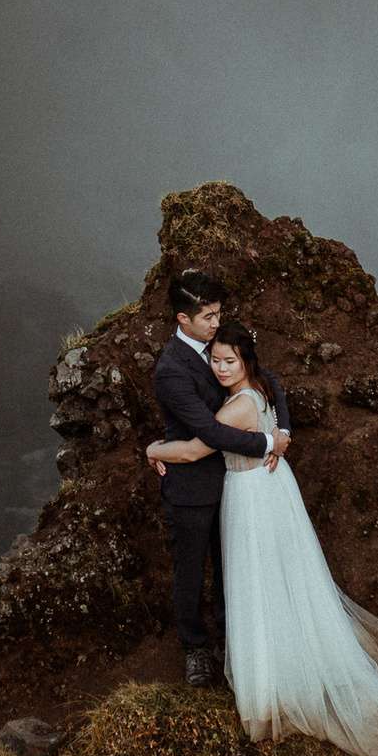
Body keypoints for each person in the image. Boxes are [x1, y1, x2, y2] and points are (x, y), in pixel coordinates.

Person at [147, 317, 378, 756]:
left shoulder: (239, 406)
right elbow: (272, 406)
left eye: (228, 361)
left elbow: (196, 450)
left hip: (251, 496)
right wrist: (278, 439)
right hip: (270, 488)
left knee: (257, 579)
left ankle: (272, 678)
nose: (220, 369)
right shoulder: (262, 386)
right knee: (279, 576)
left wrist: (152, 450)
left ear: (245, 360)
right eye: (215, 360)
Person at [148, 268, 283, 689]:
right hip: (190, 486)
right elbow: (207, 433)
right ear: (182, 320)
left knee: (231, 569)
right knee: (189, 573)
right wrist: (265, 443)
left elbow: (270, 382)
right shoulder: (170, 370)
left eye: (218, 313)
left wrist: (285, 431)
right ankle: (195, 650)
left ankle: (230, 642)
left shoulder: (219, 343)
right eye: (208, 316)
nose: (216, 322)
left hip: (235, 486)